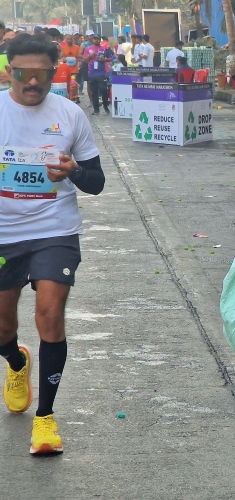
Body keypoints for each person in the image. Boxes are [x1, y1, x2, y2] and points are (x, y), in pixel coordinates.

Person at [0, 34, 105, 455]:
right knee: (2, 328)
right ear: (9, 70)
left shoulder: (70, 114)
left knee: (49, 314)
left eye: (42, 74)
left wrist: (74, 171)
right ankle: (16, 361)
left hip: (54, 230)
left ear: (53, 73)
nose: (32, 82)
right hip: (4, 234)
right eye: (23, 73)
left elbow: (96, 183)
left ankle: (45, 419)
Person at [82, 33, 113, 115]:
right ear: (93, 40)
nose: (96, 40)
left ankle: (105, 106)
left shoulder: (104, 49)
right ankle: (96, 109)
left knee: (104, 90)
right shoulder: (88, 49)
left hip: (102, 73)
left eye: (98, 39)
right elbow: (84, 60)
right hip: (92, 73)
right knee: (94, 92)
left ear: (100, 40)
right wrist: (90, 56)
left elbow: (110, 58)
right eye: (95, 39)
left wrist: (104, 60)